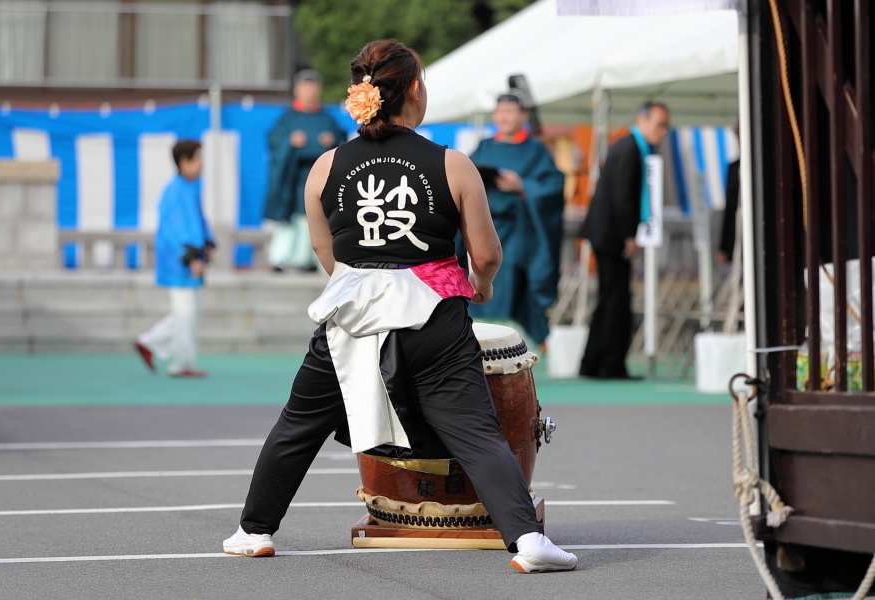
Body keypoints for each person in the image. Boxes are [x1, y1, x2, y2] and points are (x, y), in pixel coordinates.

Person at [223, 40, 577, 574]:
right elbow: (486, 253)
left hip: (350, 314)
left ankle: (253, 531)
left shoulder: (324, 166)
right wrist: (476, 286)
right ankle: (527, 541)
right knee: (476, 431)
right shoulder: (453, 164)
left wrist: (364, 292)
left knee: (299, 424)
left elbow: (328, 252)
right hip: (432, 310)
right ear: (413, 90)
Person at [458, 93, 565, 347]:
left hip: (520, 231)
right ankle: (478, 345)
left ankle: (516, 345)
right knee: (477, 278)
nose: (503, 116)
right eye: (500, 111)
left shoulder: (536, 149)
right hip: (482, 227)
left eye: (510, 111)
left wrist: (522, 185)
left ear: (523, 115)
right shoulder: (484, 146)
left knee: (512, 281)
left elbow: (553, 185)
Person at [578, 102, 670, 380]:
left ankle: (593, 363)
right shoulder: (631, 147)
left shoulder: (626, 145)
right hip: (613, 235)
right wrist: (630, 235)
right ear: (642, 121)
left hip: (606, 233)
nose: (662, 131)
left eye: (665, 126)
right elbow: (623, 198)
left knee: (609, 300)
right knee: (616, 302)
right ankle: (609, 365)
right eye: (659, 124)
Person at [134, 140, 214, 378]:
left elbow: (199, 221)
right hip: (178, 262)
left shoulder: (190, 187)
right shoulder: (174, 190)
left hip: (186, 259)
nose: (202, 164)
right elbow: (174, 230)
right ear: (184, 161)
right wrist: (191, 257)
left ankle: (150, 343)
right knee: (185, 312)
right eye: (198, 158)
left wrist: (207, 243)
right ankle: (180, 363)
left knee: (186, 313)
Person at [263, 69, 347, 272]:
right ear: (296, 90)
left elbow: (341, 141)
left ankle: (306, 260)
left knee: (312, 218)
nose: (310, 90)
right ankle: (280, 258)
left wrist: (333, 141)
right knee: (290, 220)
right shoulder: (287, 118)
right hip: (292, 180)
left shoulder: (327, 119)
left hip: (319, 180)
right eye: (305, 86)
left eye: (313, 86)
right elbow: (275, 141)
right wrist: (290, 143)